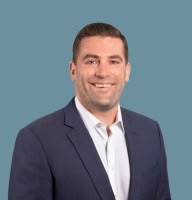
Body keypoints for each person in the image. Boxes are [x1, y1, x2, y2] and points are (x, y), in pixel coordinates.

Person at [9, 22, 171, 200]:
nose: (103, 72)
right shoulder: (37, 139)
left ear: (127, 71)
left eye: (113, 61)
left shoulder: (150, 132)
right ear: (73, 70)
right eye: (92, 61)